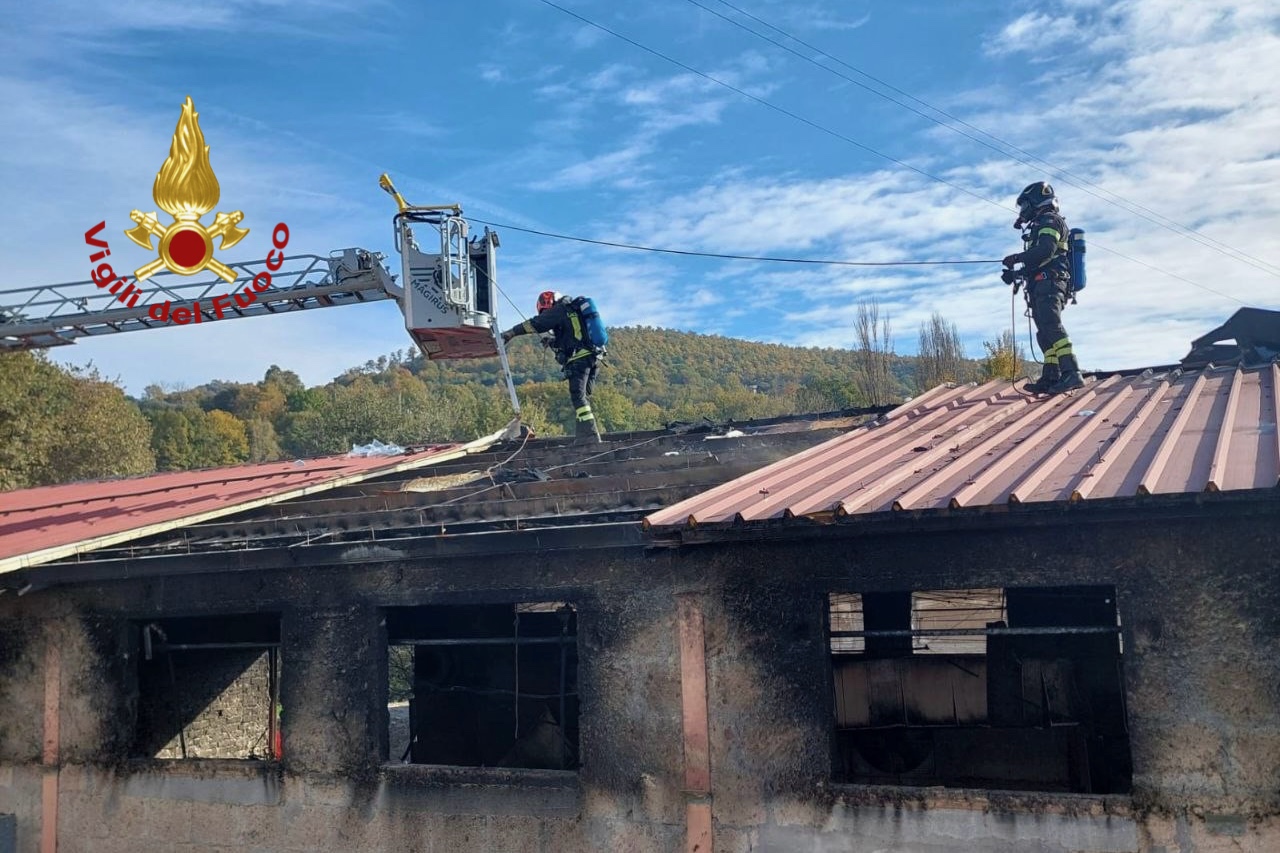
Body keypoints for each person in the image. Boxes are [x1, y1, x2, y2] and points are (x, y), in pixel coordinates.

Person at [1001, 181, 1084, 394]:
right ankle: (1051, 376)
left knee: (1052, 325)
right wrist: (1016, 274)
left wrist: (1017, 258)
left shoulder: (1050, 221)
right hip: (1041, 283)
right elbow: (1037, 261)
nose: (1022, 211)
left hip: (1051, 282)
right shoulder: (1039, 225)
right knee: (1044, 332)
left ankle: (1072, 372)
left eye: (1024, 206)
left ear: (1036, 202)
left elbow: (1046, 250)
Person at [501, 290, 605, 443]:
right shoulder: (572, 310)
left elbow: (536, 323)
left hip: (580, 357)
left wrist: (512, 332)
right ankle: (584, 434)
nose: (546, 314)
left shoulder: (560, 309)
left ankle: (590, 435)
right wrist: (553, 342)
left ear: (549, 303)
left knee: (578, 395)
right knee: (583, 396)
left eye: (545, 311)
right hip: (593, 356)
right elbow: (572, 335)